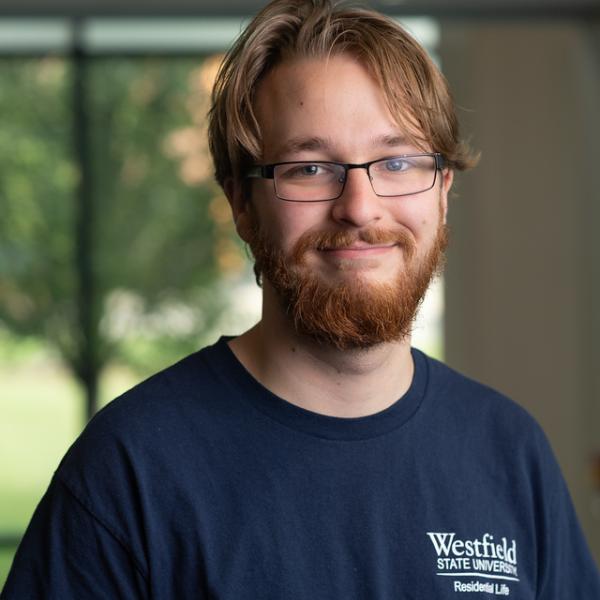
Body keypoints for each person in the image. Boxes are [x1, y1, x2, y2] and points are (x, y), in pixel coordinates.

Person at [2, 0, 599, 598]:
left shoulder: (510, 452)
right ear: (240, 202)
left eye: (397, 161)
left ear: (443, 190)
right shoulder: (128, 472)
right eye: (310, 168)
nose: (360, 207)